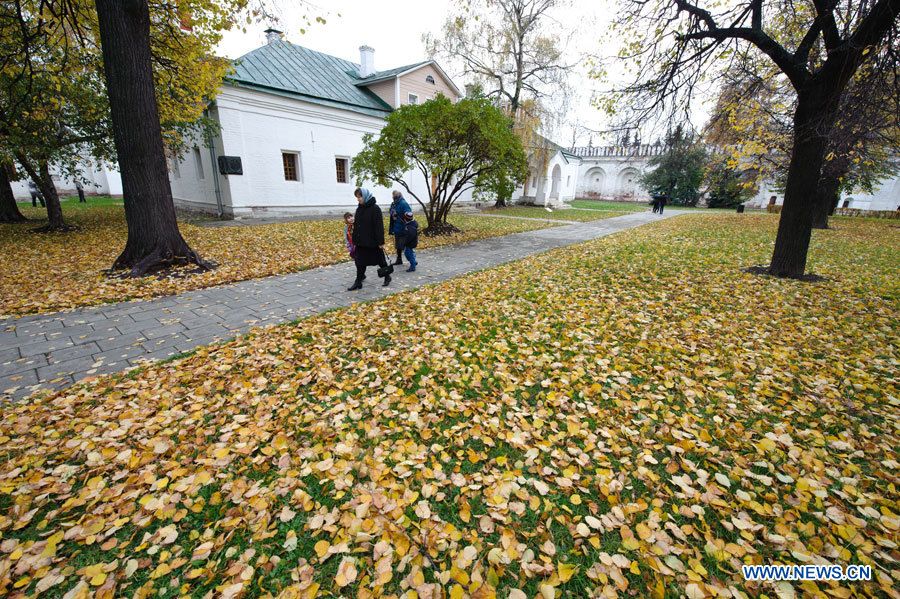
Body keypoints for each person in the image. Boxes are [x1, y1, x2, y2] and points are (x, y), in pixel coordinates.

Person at [348, 187, 390, 290]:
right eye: (357, 197)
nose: (358, 199)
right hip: (361, 242)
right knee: (359, 262)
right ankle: (358, 281)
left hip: (372, 242)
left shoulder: (375, 209)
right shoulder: (359, 208)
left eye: (360, 196)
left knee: (381, 261)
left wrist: (380, 242)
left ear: (366, 196)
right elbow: (358, 225)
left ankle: (387, 276)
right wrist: (355, 239)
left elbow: (379, 227)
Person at [388, 190, 412, 265]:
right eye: (392, 195)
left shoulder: (403, 203)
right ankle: (399, 260)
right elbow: (391, 213)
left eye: (394, 195)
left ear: (398, 196)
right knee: (398, 245)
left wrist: (404, 219)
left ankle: (412, 260)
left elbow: (409, 215)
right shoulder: (394, 203)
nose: (392, 197)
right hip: (397, 227)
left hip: (403, 228)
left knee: (405, 246)